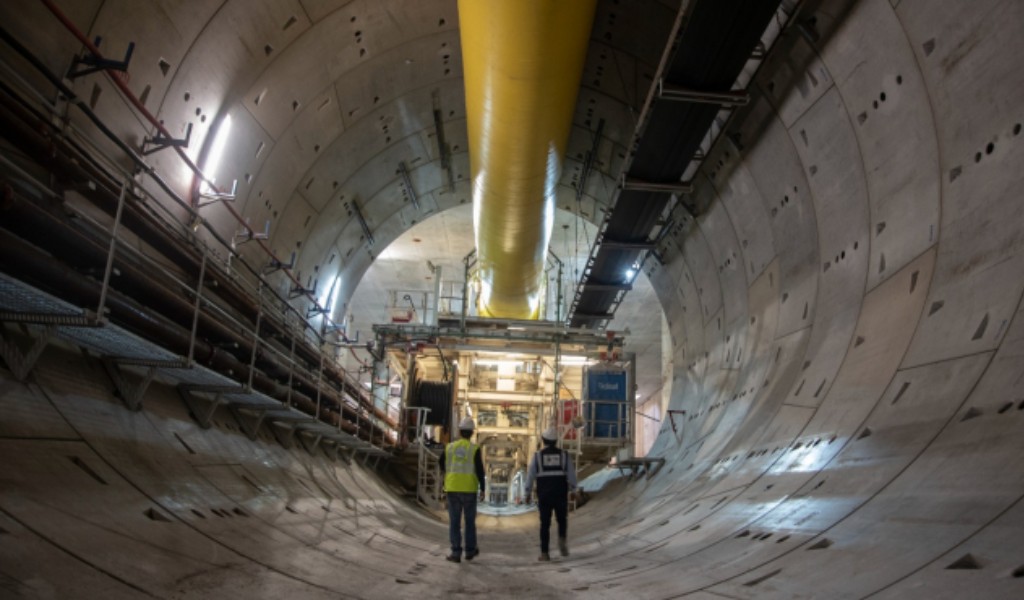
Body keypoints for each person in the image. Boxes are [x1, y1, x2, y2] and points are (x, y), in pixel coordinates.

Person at [524, 426, 578, 561]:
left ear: (543, 440)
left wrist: (527, 492)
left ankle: (544, 553)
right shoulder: (564, 455)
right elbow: (571, 474)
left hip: (544, 495)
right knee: (562, 520)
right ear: (556, 441)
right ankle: (562, 539)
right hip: (560, 493)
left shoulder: (537, 456)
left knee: (545, 524)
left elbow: (530, 476)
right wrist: (574, 489)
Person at [440, 416, 486, 563]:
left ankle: (455, 553)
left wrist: (448, 474)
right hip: (469, 490)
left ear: (460, 431)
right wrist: (483, 489)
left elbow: (441, 462)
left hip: (452, 488)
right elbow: (480, 470)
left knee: (454, 522)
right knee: (469, 522)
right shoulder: (474, 449)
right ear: (472, 433)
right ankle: (470, 551)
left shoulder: (450, 447)